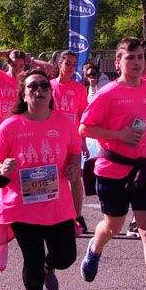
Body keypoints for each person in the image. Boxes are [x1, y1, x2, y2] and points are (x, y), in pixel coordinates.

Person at [78, 37, 146, 290]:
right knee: (113, 226)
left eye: (139, 58)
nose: (136, 62)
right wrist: (119, 135)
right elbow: (85, 128)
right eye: (130, 58)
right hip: (113, 168)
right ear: (118, 62)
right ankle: (94, 250)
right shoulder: (107, 93)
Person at [0, 69, 84, 290]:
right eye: (33, 87)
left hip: (57, 205)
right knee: (32, 257)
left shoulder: (64, 122)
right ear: (24, 94)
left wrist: (73, 166)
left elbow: (75, 151)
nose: (39, 91)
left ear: (51, 93)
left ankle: (48, 266)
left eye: (44, 86)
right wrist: (1, 168)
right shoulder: (11, 126)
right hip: (22, 206)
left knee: (66, 257)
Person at [50, 52, 92, 235]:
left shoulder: (79, 89)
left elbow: (82, 117)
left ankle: (77, 216)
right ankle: (56, 216)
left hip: (72, 139)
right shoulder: (49, 87)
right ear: (60, 64)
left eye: (74, 64)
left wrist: (83, 142)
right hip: (52, 139)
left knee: (75, 177)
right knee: (55, 179)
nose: (71, 67)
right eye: (67, 63)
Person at [0, 49, 54, 127]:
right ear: (8, 64)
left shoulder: (26, 80)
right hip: (2, 124)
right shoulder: (0, 77)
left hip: (22, 124)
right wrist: (4, 53)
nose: (18, 69)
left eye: (21, 65)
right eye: (14, 65)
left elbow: (49, 68)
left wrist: (30, 60)